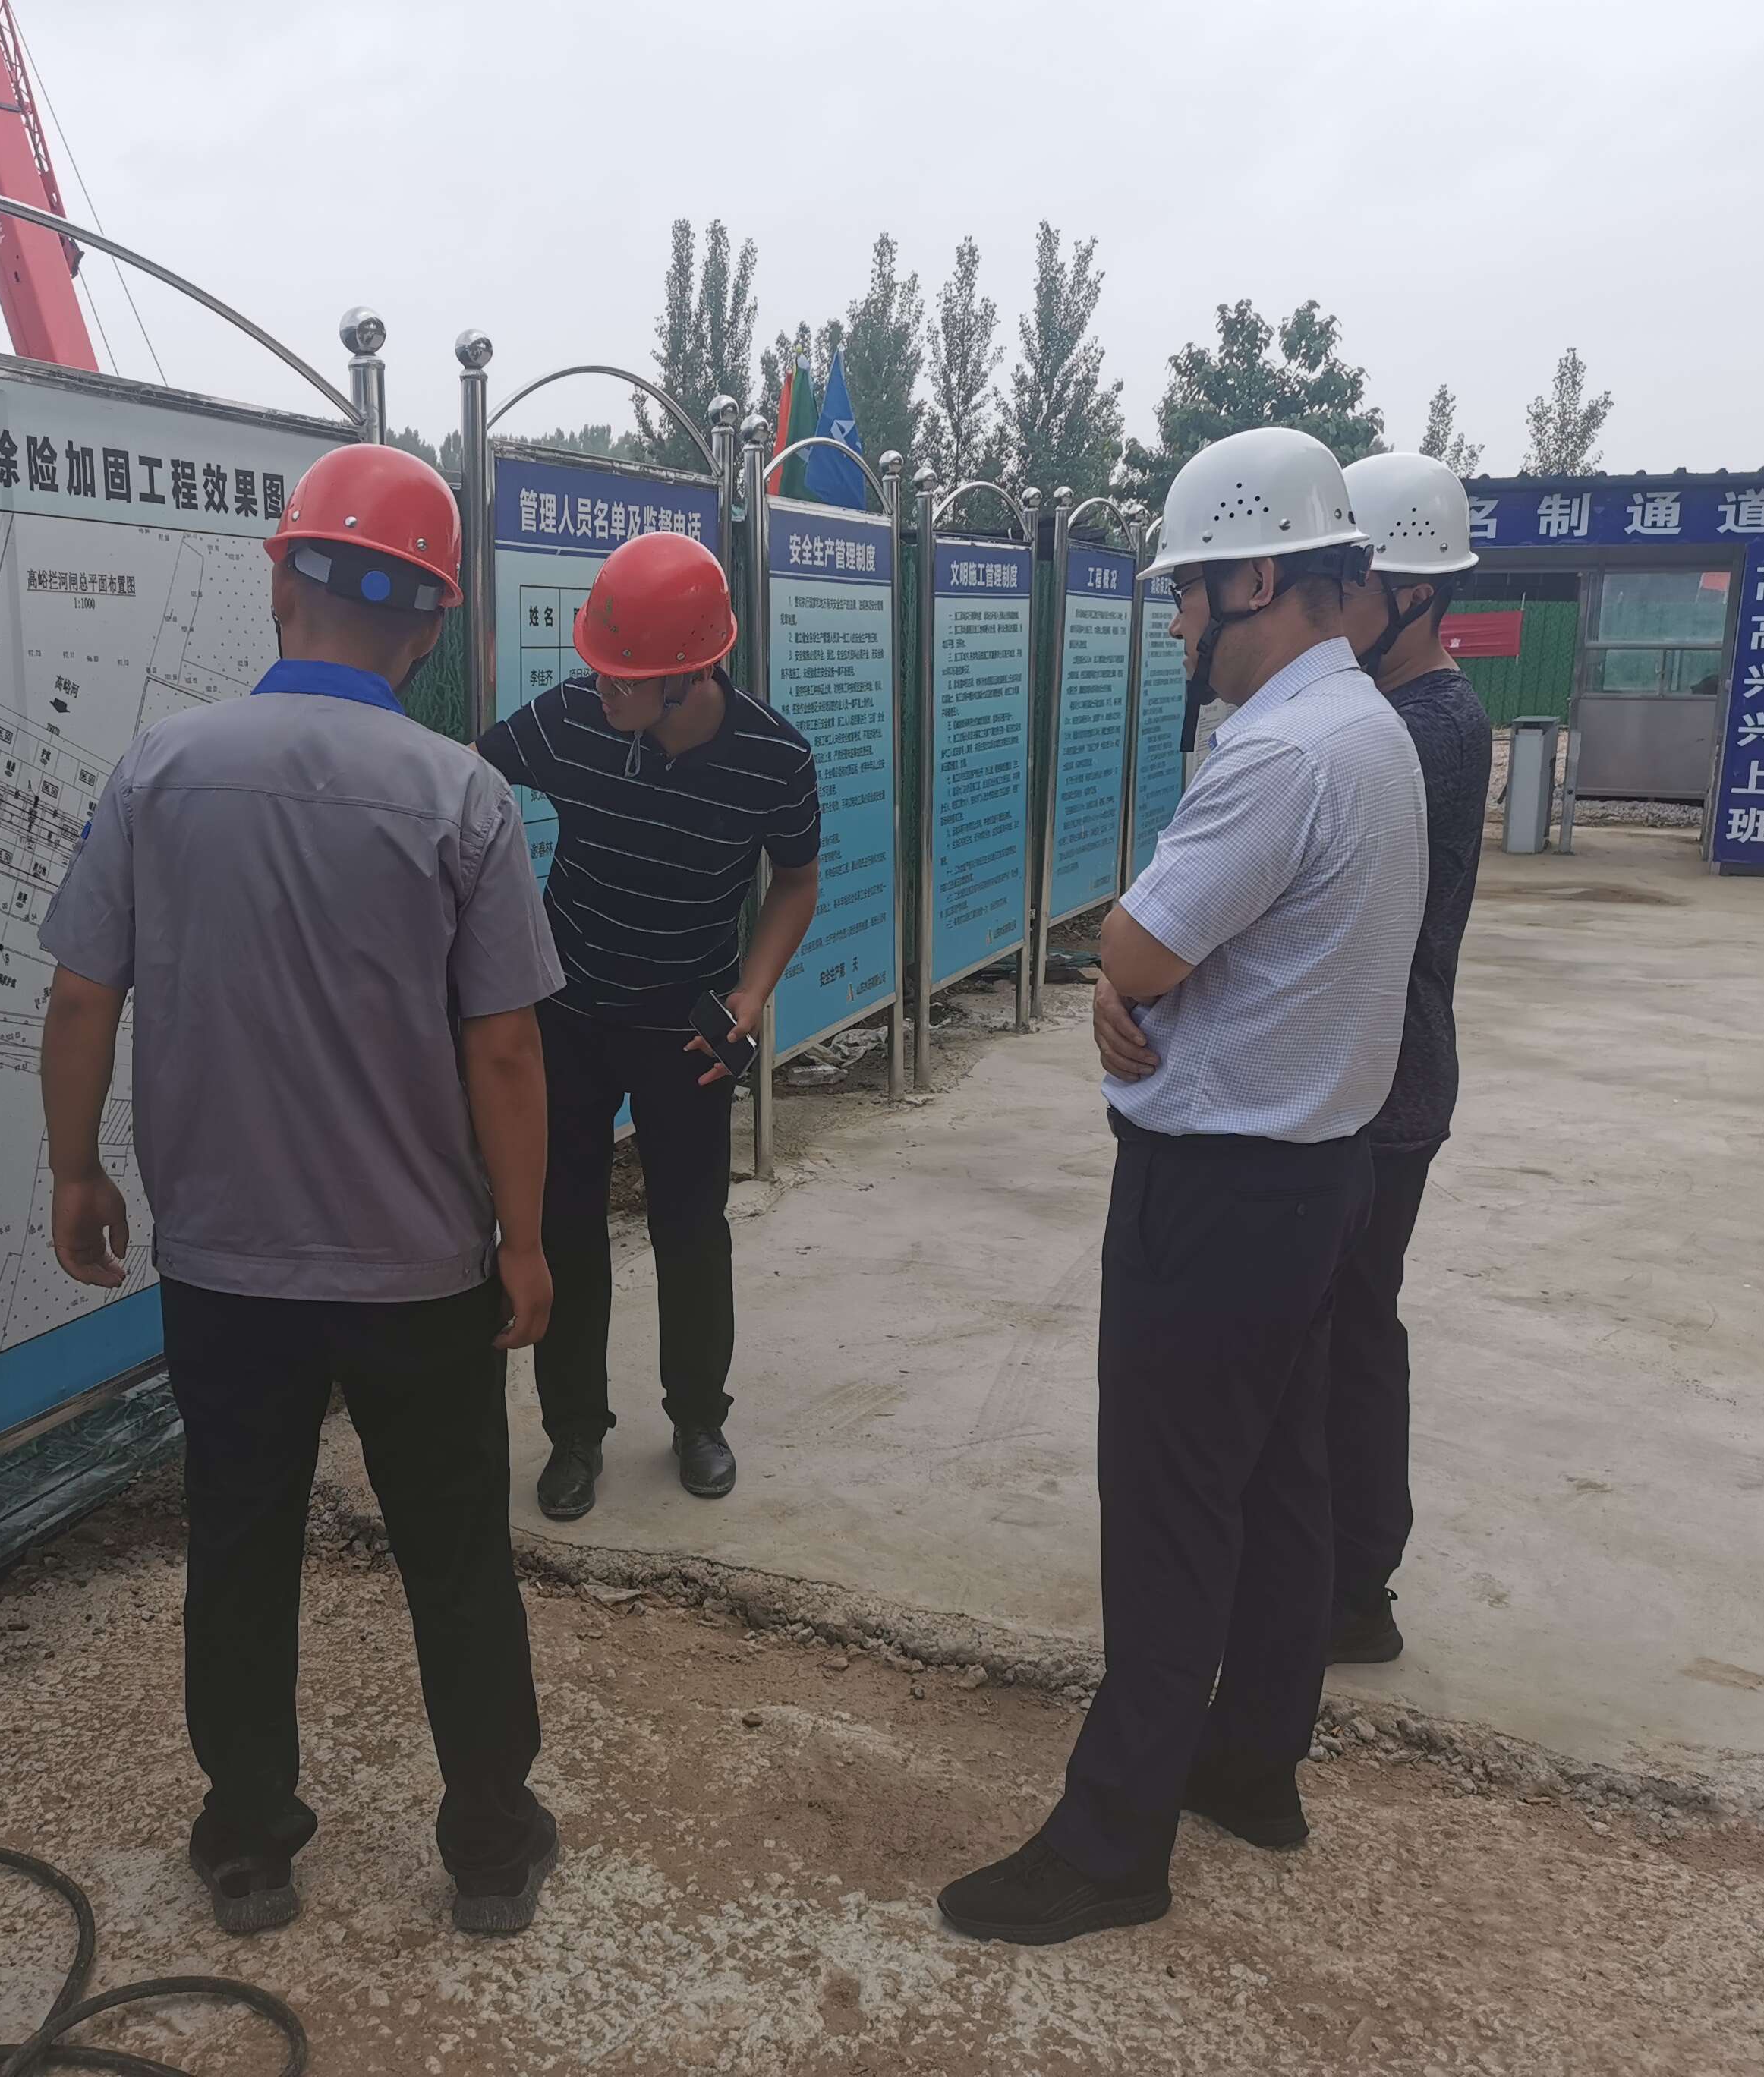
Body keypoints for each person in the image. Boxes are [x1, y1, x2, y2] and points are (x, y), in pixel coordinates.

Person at [36, 443, 568, 1938]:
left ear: (281, 583)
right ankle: (489, 1847)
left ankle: (249, 1843)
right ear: (432, 626)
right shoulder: (462, 798)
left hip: (227, 1270)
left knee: (240, 1547)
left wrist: (75, 1167)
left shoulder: (159, 773)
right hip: (420, 1272)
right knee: (456, 1557)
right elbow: (506, 1047)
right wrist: (525, 1241)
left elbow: (82, 997)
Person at [937, 427, 1428, 1947]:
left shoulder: (1281, 754)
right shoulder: (1368, 727)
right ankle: (1253, 1767)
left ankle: (1112, 1845)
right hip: (1318, 1178)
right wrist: (1136, 975)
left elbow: (1139, 947)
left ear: (1257, 581)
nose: (1174, 625)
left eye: (1186, 592)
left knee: (1169, 1516)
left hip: (1217, 1194)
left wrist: (1120, 977)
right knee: (1278, 1487)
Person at [474, 531, 821, 1521]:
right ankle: (574, 1433)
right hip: (568, 1017)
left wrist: (752, 993)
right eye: (598, 666)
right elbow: (467, 783)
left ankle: (699, 1418)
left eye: (623, 677)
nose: (601, 689)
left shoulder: (774, 756)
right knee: (564, 1226)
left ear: (690, 675)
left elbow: (795, 881)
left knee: (691, 1228)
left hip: (689, 1030)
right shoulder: (570, 720)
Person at [1322, 451, 1493, 1663]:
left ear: (1414, 596)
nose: (1328, 609)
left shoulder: (1421, 731)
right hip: (1383, 1070)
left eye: (1349, 589)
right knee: (1342, 1328)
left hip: (1384, 1085)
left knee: (1348, 1336)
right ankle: (1340, 1571)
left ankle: (1355, 1589)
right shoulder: (1406, 714)